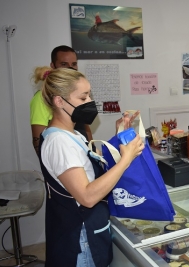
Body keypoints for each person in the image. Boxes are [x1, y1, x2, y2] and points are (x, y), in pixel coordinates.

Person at [34, 66, 145, 267]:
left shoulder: (73, 135)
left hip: (90, 228)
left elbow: (94, 167)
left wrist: (120, 134)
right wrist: (126, 160)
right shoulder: (59, 142)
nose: (90, 103)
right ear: (59, 101)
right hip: (79, 239)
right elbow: (87, 196)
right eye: (83, 97)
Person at [30, 45, 93, 156]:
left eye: (74, 64)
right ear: (53, 65)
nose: (70, 68)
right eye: (64, 64)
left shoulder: (76, 94)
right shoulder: (42, 97)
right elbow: (39, 140)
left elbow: (84, 127)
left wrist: (93, 155)